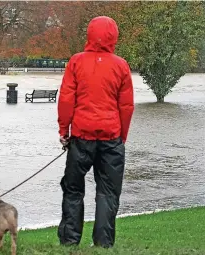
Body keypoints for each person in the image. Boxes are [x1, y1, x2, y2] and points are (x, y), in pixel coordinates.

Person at [57, 16, 134, 248]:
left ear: (89, 35)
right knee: (108, 192)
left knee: (73, 189)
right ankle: (103, 243)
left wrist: (64, 130)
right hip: (111, 138)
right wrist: (122, 136)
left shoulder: (76, 62)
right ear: (114, 36)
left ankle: (70, 240)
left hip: (81, 136)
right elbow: (126, 106)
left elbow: (67, 99)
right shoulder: (121, 65)